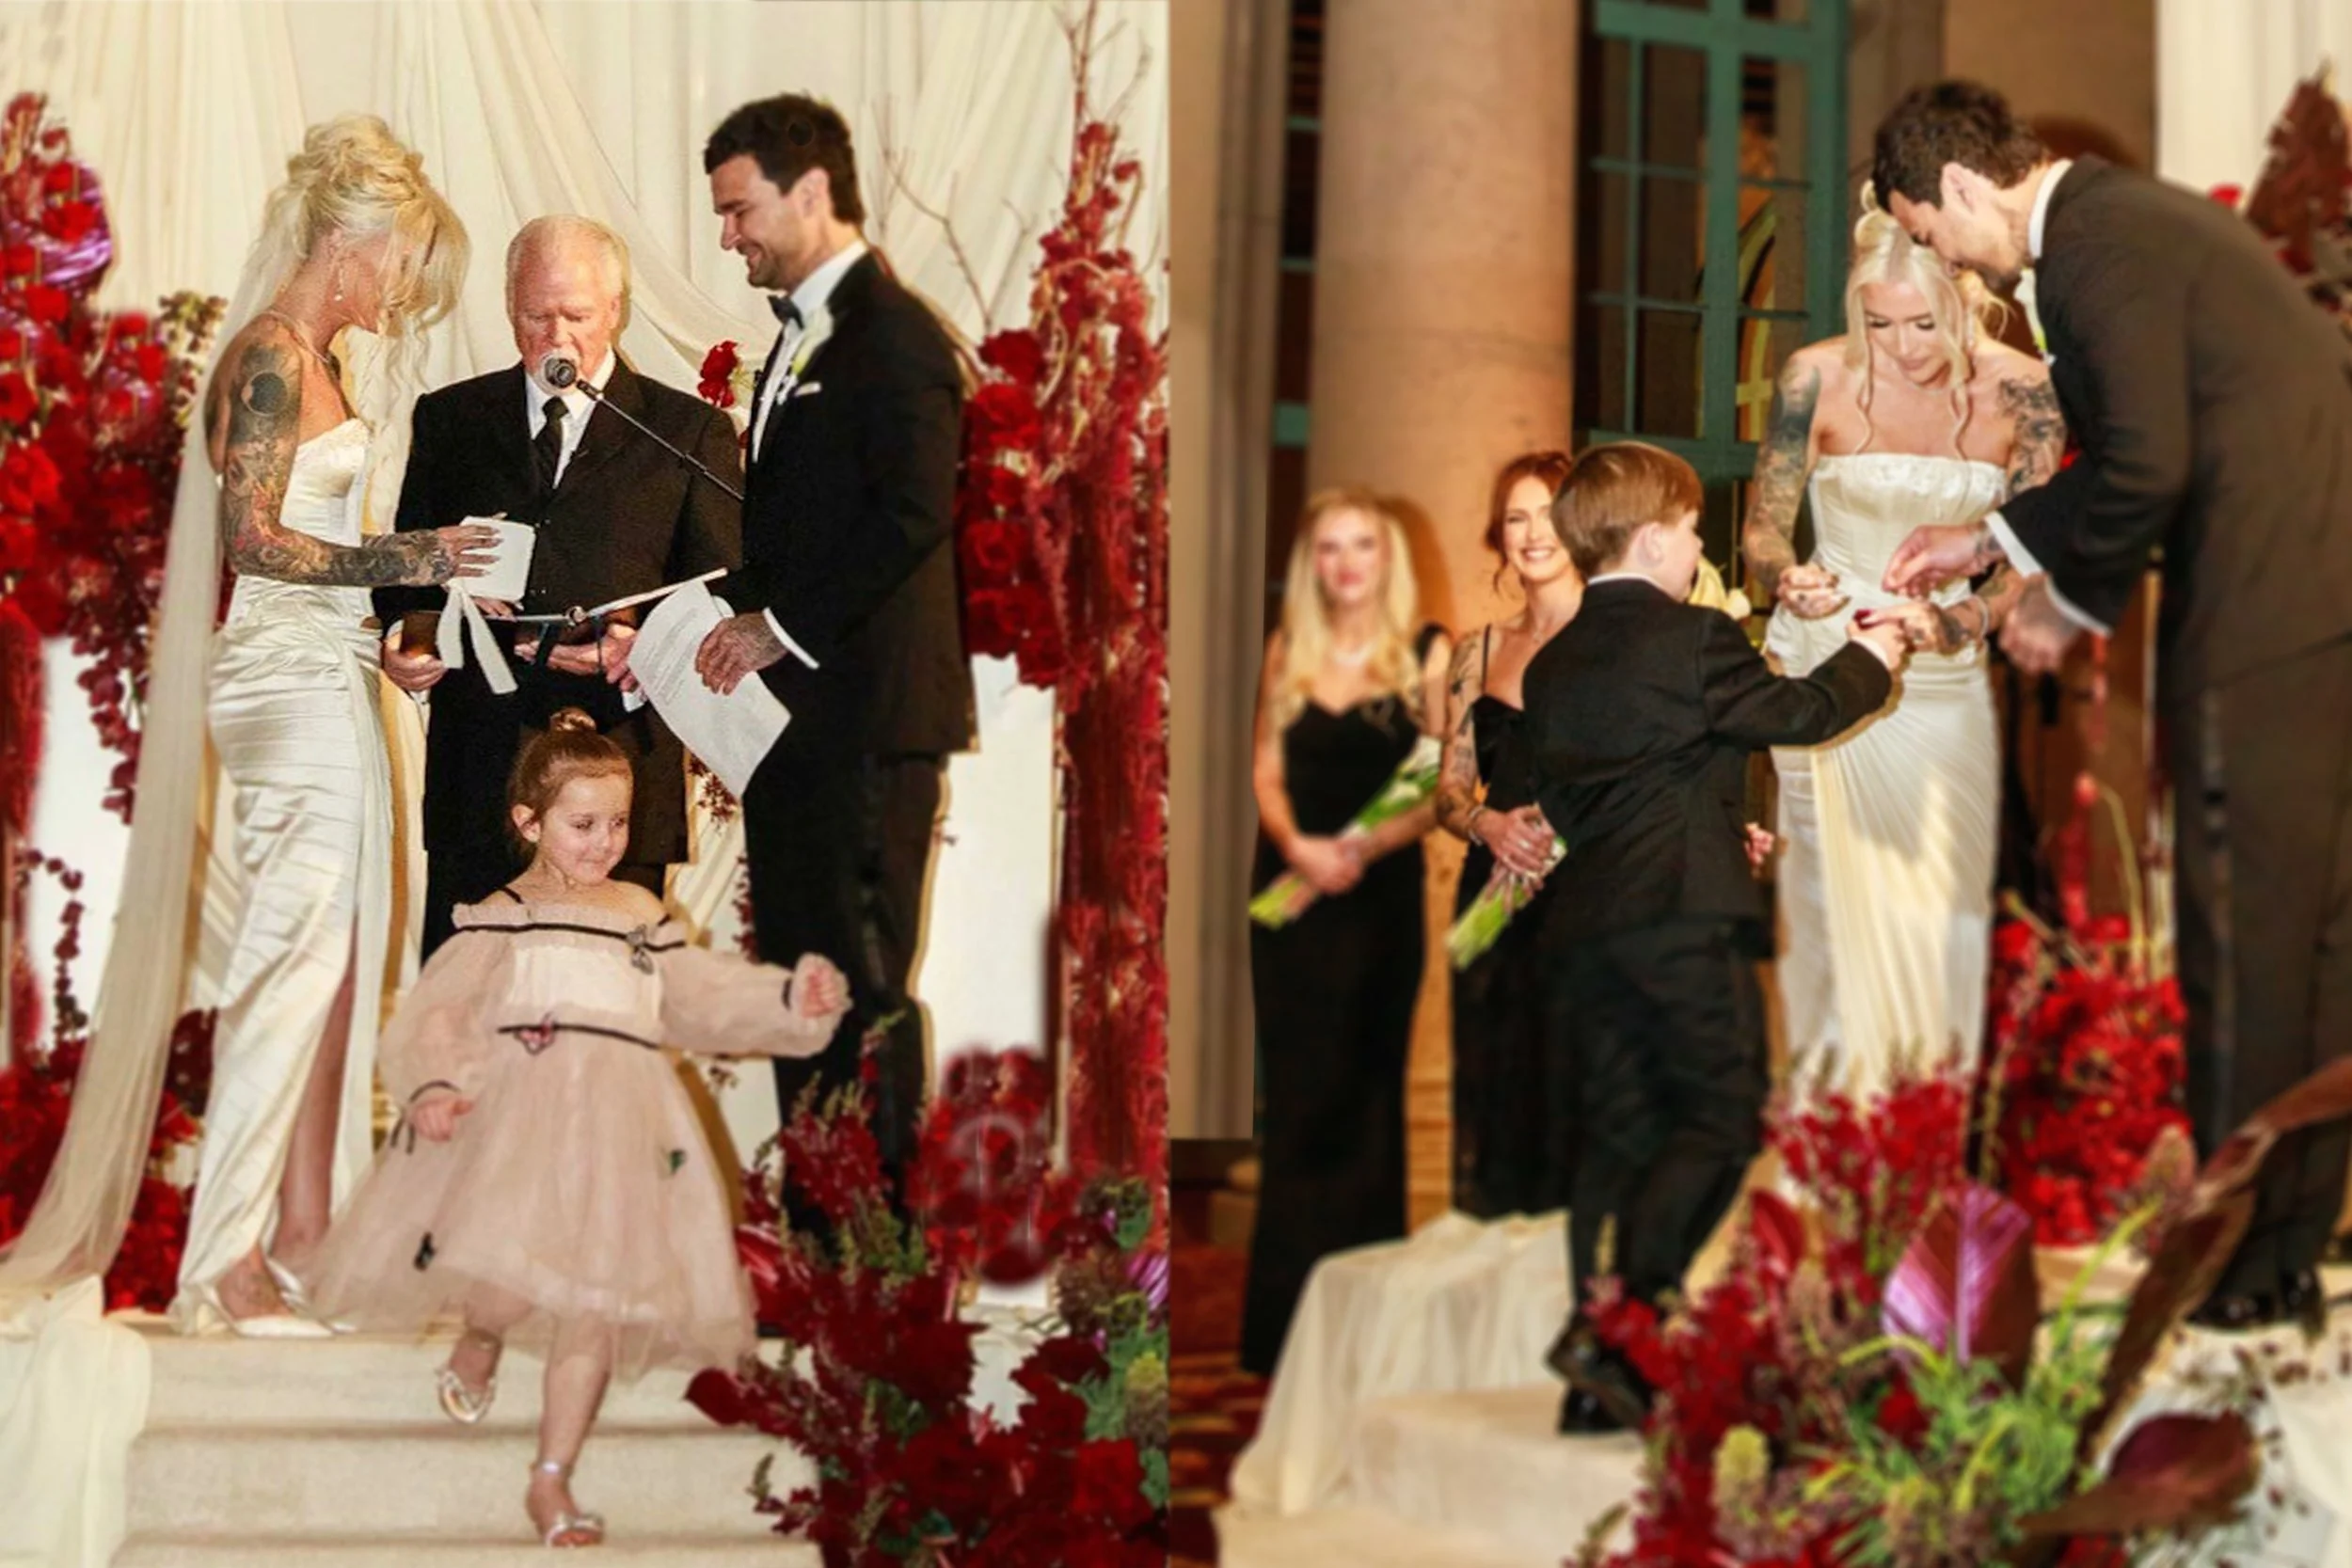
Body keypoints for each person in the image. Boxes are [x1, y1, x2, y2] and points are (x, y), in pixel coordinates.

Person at [1873, 81, 2352, 1333]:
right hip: (2323, 612)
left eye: (1926, 230)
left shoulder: (2088, 247)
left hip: (2259, 618)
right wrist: (1987, 542)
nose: (1941, 257)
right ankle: (2289, 1243)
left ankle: (2240, 1259)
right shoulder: (2135, 227)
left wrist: (2065, 608)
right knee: (2318, 946)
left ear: (1963, 187)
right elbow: (2151, 448)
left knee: (2242, 950)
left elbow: (2148, 460)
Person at [301, 709, 850, 1546]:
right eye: (582, 824)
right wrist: (441, 1084)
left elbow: (697, 993)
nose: (603, 842)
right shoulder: (504, 913)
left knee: (593, 1301)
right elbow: (443, 1010)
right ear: (530, 822)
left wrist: (783, 1001)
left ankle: (549, 1479)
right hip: (524, 1119)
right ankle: (481, 1337)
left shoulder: (637, 909)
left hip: (623, 1130)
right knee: (508, 1282)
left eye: (618, 823)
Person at [153, 118, 493, 1335]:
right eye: (402, 262)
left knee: (339, 965)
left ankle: (301, 1233)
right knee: (293, 968)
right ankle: (220, 1262)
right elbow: (254, 541)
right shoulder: (269, 360)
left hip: (326, 674)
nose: (402, 291)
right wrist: (421, 554)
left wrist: (385, 644)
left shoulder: (312, 360)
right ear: (355, 237)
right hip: (282, 685)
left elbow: (303, 549)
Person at [1519, 443, 1905, 1433]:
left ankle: (1597, 1376)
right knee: (1721, 1122)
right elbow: (1803, 713)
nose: (1697, 543)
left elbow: (1576, 797)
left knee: (1625, 1135)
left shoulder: (1554, 661)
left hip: (1586, 928)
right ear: (1653, 537)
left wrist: (1707, 817)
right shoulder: (1693, 636)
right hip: (1683, 920)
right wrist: (1879, 657)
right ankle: (1630, 1319)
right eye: (1692, 527)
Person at [647, 94, 974, 1219]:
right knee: (802, 985)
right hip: (799, 729)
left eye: (739, 211)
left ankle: (879, 1270)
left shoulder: (896, 338)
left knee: (864, 989)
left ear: (811, 194)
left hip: (869, 725)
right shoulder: (804, 336)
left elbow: (912, 515)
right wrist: (672, 622)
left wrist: (773, 630)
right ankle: (823, 1239)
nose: (727, 235)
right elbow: (792, 537)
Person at [1740, 198, 2058, 1100]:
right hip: (1821, 671)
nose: (1904, 345)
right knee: (1830, 915)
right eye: (1878, 324)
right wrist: (1784, 577)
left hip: (1942, 671)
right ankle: (1832, 1137)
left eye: (1922, 322)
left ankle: (1922, 1127)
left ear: (1961, 294)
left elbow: (2026, 566)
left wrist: (1951, 623)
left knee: (1935, 911)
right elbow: (1765, 528)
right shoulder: (1813, 378)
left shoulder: (2025, 393)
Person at [375, 215, 741, 957]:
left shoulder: (688, 431)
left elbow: (725, 594)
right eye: (537, 316)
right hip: (480, 767)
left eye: (576, 315)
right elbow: (407, 578)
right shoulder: (449, 419)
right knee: (468, 1012)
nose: (557, 336)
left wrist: (645, 647)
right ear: (510, 309)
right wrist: (409, 644)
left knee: (605, 1015)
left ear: (615, 309)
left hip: (619, 765)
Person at [1241, 488, 1451, 1378]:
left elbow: (1441, 780)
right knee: (1296, 1104)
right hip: (1288, 894)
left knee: (1365, 1103)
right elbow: (1265, 766)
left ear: (1386, 557)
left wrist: (1357, 849)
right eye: (1329, 547)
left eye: (1362, 544)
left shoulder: (1428, 653)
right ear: (1312, 562)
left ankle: (1362, 1330)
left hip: (1375, 899)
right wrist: (1297, 846)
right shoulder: (1289, 646)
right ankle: (1282, 1330)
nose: (1346, 562)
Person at [1433, 450, 1580, 1219]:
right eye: (1516, 517)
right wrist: (1486, 821)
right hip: (1487, 896)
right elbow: (1447, 790)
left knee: (1569, 1086)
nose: (1532, 534)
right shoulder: (1476, 650)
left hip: (1584, 890)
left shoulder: (1616, 639)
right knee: (1490, 1084)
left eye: (1548, 514)